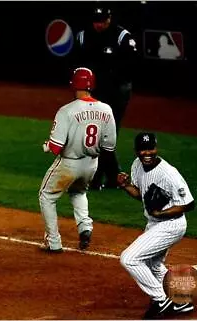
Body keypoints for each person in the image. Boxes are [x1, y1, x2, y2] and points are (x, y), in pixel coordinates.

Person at [117, 132, 195, 319]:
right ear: (136, 151)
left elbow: (189, 203)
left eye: (150, 148)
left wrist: (161, 213)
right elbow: (142, 195)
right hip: (155, 223)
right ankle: (180, 300)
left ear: (156, 148)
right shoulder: (137, 165)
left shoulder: (168, 174)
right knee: (153, 264)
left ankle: (161, 300)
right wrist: (126, 185)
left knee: (129, 258)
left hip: (171, 224)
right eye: (143, 149)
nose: (147, 153)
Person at [39, 67, 118, 252]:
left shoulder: (67, 110)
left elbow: (56, 147)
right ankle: (85, 227)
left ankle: (54, 242)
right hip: (92, 165)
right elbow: (109, 147)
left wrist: (47, 145)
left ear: (74, 85)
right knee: (79, 192)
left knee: (46, 196)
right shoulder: (106, 109)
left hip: (69, 164)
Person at [74, 7, 138, 189]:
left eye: (102, 20)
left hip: (117, 92)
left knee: (106, 136)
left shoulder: (122, 37)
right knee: (95, 135)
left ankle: (96, 179)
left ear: (110, 18)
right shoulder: (83, 36)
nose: (99, 24)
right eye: (96, 20)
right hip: (93, 93)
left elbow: (131, 67)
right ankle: (113, 178)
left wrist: (109, 78)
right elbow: (75, 65)